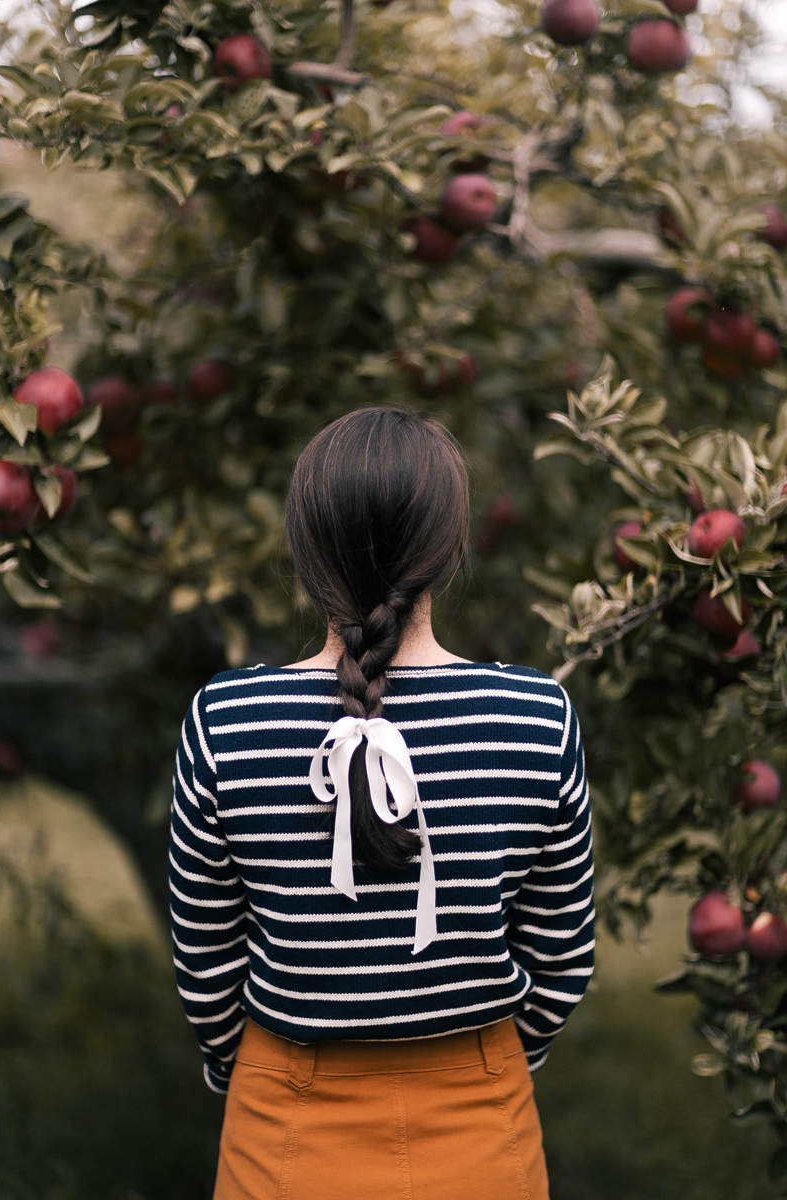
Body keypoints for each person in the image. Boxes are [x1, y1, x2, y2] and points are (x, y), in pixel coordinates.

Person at [170, 406, 594, 1200]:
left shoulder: (224, 722)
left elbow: (207, 962)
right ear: (449, 548)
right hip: (482, 1127)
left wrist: (257, 1069)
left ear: (302, 551)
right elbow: (563, 956)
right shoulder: (536, 717)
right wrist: (490, 1064)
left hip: (282, 1133)